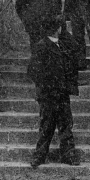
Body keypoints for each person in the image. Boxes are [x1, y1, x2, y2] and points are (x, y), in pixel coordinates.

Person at [27, 13, 80, 168]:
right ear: (57, 29)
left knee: (65, 125)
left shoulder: (63, 44)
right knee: (46, 126)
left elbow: (71, 64)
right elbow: (33, 71)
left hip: (62, 93)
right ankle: (39, 155)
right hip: (48, 94)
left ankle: (68, 154)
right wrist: (47, 85)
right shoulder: (41, 46)